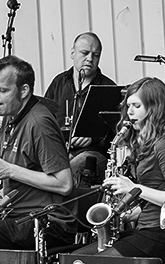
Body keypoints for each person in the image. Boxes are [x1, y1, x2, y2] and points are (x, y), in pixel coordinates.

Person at [0, 56, 75, 251]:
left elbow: (65, 183)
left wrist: (8, 170)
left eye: (2, 90)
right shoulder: (9, 118)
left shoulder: (39, 123)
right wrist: (1, 193)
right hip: (20, 216)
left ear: (24, 90)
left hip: (45, 222)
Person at [91, 77, 165, 262]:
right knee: (79, 258)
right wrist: (125, 214)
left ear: (154, 108)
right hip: (148, 229)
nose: (129, 112)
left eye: (136, 106)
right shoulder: (148, 143)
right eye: (128, 106)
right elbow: (157, 196)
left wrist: (134, 189)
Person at [43, 32, 116, 185]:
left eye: (95, 55)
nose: (90, 58)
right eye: (85, 53)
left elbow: (117, 131)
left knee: (69, 172)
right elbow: (44, 120)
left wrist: (93, 138)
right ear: (72, 53)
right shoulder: (58, 82)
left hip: (93, 154)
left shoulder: (108, 88)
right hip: (60, 152)